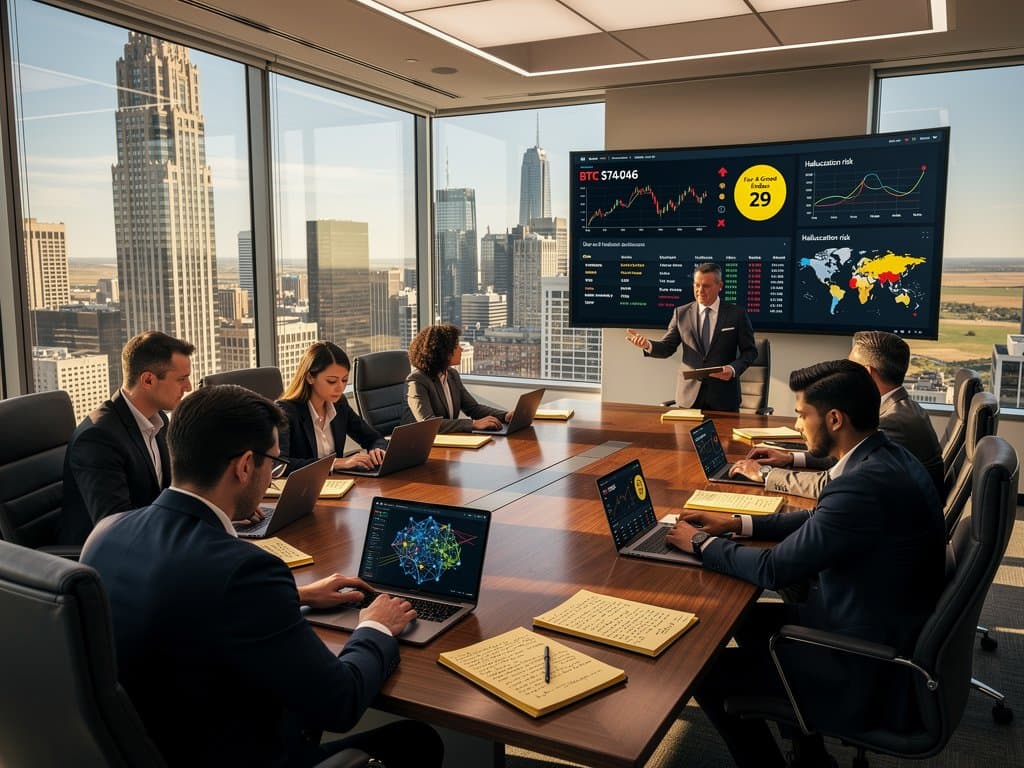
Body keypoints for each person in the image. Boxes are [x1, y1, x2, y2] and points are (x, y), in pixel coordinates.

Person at [80, 384, 444, 768]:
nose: (272, 476)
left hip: (161, 746)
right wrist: (376, 626)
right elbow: (340, 703)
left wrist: (299, 595)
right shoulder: (245, 570)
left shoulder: (105, 535)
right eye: (272, 460)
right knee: (417, 741)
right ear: (244, 466)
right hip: (240, 752)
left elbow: (179, 602)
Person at [666, 360, 945, 768]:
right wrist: (737, 524)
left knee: (704, 670)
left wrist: (701, 543)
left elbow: (773, 570)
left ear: (834, 419)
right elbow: (818, 519)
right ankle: (810, 753)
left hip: (863, 664)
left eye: (801, 415)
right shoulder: (886, 457)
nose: (798, 427)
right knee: (746, 621)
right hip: (875, 624)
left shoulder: (862, 484)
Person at [728, 330, 944, 498]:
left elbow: (834, 483)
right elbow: (846, 459)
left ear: (866, 373)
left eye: (849, 367)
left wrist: (764, 474)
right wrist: (791, 458)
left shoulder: (891, 421)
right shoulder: (903, 407)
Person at [60, 330, 194, 545]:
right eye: (182, 379)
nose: (188, 387)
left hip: (152, 539)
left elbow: (169, 491)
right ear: (148, 380)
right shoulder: (97, 439)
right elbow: (116, 526)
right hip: (107, 555)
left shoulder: (158, 420)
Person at [626, 262, 757, 411]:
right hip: (689, 398)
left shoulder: (737, 314)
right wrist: (647, 345)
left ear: (720, 286)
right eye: (697, 285)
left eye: (706, 286)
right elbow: (667, 347)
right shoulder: (681, 313)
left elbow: (750, 352)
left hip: (724, 398)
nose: (700, 290)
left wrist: (732, 369)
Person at [277, 341, 388, 474]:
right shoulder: (285, 411)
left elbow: (374, 438)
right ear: (310, 377)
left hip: (338, 483)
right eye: (332, 381)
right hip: (304, 485)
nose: (340, 387)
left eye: (344, 380)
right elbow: (278, 465)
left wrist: (377, 450)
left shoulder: (339, 404)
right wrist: (336, 463)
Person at [405, 323, 511, 434]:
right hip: (420, 441)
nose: (461, 349)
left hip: (447, 439)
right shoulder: (417, 381)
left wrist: (505, 416)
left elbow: (473, 408)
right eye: (456, 346)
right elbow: (428, 423)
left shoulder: (451, 374)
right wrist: (473, 424)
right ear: (443, 351)